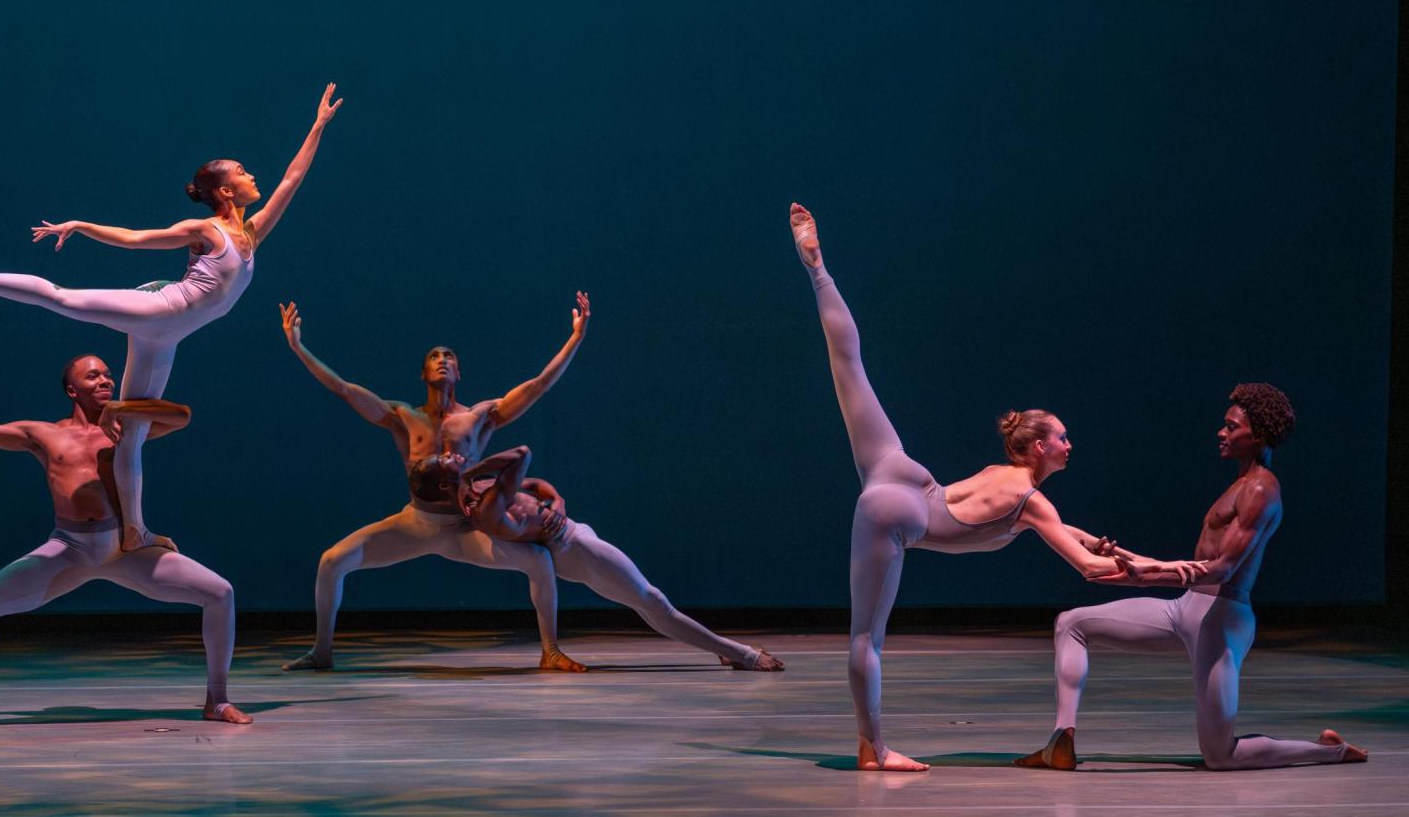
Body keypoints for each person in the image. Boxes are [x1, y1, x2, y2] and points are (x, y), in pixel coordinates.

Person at [786, 203, 1196, 771]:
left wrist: (1114, 549)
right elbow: (1089, 569)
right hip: (899, 510)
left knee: (849, 366)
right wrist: (1174, 570)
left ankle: (816, 268)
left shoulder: (1018, 491)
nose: (1070, 445)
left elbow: (1067, 537)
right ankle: (873, 750)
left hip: (900, 473)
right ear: (1035, 449)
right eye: (1062, 438)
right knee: (866, 638)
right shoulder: (1031, 500)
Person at [0, 83, 342, 555]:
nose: (252, 174)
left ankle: (135, 530)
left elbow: (290, 181)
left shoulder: (251, 233)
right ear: (224, 190)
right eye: (242, 172)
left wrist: (317, 125)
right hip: (161, 308)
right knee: (62, 298)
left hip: (170, 336)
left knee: (131, 434)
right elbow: (137, 239)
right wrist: (81, 226)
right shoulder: (205, 230)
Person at [0, 355, 250, 725]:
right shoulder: (44, 435)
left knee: (220, 593)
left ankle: (216, 700)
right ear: (72, 389)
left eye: (108, 375)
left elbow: (182, 416)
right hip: (69, 550)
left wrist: (123, 406)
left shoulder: (128, 428)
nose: (105, 380)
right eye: (94, 377)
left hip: (126, 550)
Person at [1016, 384, 1366, 770]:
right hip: (1188, 609)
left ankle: (1332, 750)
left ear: (1259, 435)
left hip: (1221, 621)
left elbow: (1223, 569)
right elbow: (1192, 569)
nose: (1222, 432)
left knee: (1220, 755)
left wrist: (1148, 574)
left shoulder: (1262, 489)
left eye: (1231, 427)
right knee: (1072, 624)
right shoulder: (1238, 485)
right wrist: (1125, 560)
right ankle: (1061, 741)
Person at [278, 296, 591, 672]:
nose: (443, 360)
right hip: (416, 523)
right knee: (331, 561)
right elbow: (344, 389)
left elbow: (538, 386)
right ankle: (322, 652)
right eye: (434, 357)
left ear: (459, 374)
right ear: (424, 374)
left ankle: (550, 651)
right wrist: (298, 346)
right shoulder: (402, 416)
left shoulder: (481, 416)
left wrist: (575, 338)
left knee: (539, 560)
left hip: (465, 525)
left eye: (450, 357)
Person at [421, 446, 783, 670]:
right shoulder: (482, 508)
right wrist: (471, 470)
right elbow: (521, 453)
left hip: (576, 535)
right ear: (444, 485)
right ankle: (741, 654)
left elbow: (534, 485)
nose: (452, 452)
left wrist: (557, 499)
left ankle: (723, 651)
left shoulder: (485, 490)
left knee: (646, 603)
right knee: (652, 601)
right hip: (573, 549)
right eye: (445, 460)